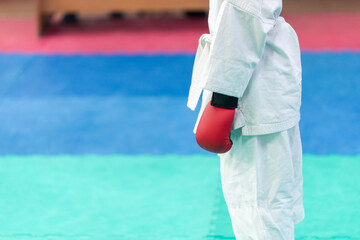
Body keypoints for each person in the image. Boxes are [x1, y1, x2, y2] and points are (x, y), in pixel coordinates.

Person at [187, 0, 304, 239]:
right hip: (264, 80)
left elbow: (241, 18)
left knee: (258, 206)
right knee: (270, 200)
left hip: (249, 89)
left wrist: (223, 100)